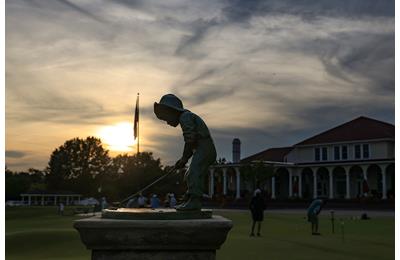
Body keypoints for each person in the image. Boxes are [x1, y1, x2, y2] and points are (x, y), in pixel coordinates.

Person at [154, 94, 217, 211]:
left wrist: (184, 159)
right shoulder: (186, 116)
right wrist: (183, 159)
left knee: (194, 172)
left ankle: (195, 201)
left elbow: (190, 139)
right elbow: (191, 143)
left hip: (205, 149)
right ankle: (189, 198)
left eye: (166, 118)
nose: (167, 122)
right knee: (189, 174)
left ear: (171, 111)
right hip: (201, 149)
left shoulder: (185, 117)